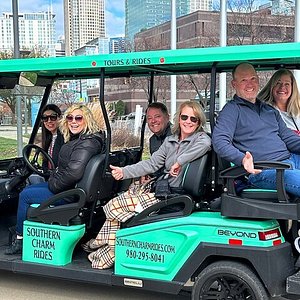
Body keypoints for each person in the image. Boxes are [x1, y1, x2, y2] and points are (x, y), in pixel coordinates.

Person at [84, 100, 211, 269]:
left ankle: (105, 247)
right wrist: (124, 172)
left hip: (173, 195)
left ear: (199, 122)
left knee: (113, 208)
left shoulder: (200, 138)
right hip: (161, 189)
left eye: (193, 119)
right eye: (184, 117)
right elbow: (151, 164)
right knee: (115, 203)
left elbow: (206, 144)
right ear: (178, 118)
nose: (188, 121)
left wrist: (179, 162)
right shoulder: (170, 141)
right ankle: (105, 245)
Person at [5, 104, 105, 255]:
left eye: (78, 118)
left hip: (69, 192)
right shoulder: (85, 139)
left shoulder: (86, 143)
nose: (73, 121)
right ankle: (22, 230)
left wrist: (52, 182)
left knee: (25, 194)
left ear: (87, 120)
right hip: (71, 189)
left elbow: (73, 172)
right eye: (70, 118)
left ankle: (20, 238)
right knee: (30, 189)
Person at [212, 62, 300, 198]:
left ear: (258, 80)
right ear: (234, 84)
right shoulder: (232, 110)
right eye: (244, 80)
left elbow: (289, 138)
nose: (250, 84)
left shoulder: (269, 110)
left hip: (290, 161)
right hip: (265, 170)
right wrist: (242, 159)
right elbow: (219, 141)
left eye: (253, 79)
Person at [28, 104, 64, 184]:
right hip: (49, 178)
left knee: (25, 193)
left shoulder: (64, 138)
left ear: (60, 118)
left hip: (59, 183)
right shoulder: (48, 139)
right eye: (45, 118)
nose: (49, 121)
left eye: (53, 117)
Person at [258, 68, 300, 134]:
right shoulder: (264, 109)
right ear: (272, 86)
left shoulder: (298, 109)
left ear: (292, 87)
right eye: (278, 83)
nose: (282, 87)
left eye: (287, 84)